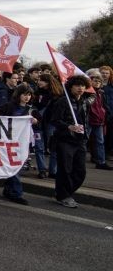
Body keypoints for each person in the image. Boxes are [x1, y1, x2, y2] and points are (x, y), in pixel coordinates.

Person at [53, 75, 94, 208]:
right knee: (65, 169)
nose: (80, 88)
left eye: (82, 86)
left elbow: (86, 120)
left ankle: (65, 192)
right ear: (70, 87)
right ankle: (63, 195)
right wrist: (69, 126)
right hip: (65, 140)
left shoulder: (84, 101)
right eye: (77, 85)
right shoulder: (63, 101)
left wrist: (85, 134)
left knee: (80, 171)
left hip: (80, 140)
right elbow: (55, 120)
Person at [0, 84, 39, 205]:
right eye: (24, 94)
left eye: (29, 95)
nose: (27, 97)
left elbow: (39, 123)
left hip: (22, 143)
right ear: (18, 95)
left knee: (16, 166)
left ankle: (9, 190)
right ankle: (16, 193)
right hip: (9, 142)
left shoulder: (31, 109)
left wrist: (35, 121)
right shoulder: (9, 106)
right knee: (15, 166)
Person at [86, 70, 111, 170]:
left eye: (99, 81)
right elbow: (86, 105)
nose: (97, 83)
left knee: (100, 141)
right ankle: (77, 160)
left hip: (99, 120)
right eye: (95, 80)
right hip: (89, 119)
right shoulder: (87, 93)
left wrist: (106, 115)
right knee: (84, 141)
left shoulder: (101, 93)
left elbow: (103, 106)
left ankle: (101, 162)